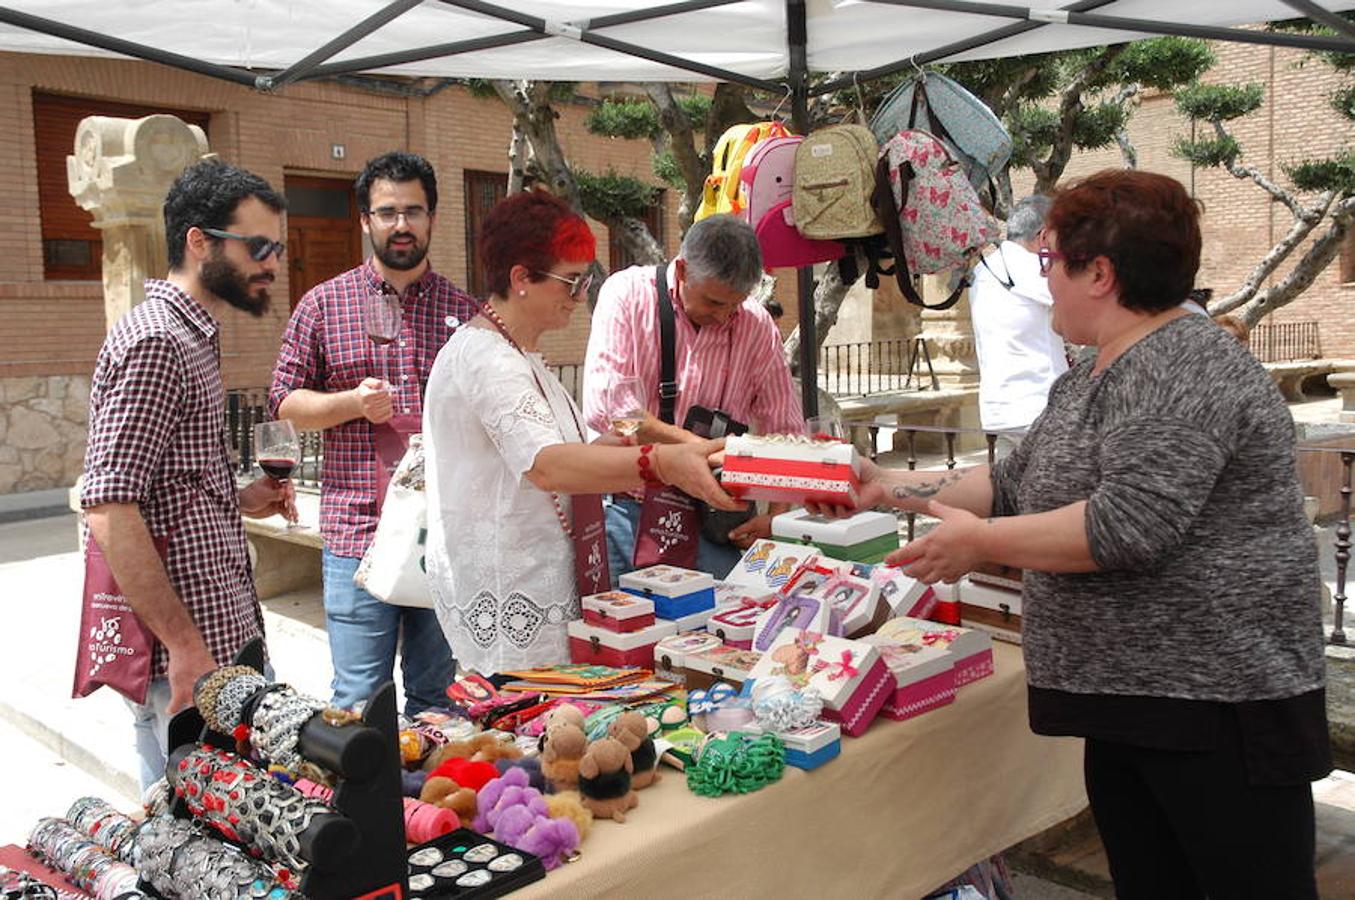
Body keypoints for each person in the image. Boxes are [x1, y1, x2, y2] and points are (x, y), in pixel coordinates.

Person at [827, 170, 1331, 899]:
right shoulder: (1090, 374)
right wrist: (888, 487)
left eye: (1048, 262)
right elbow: (1009, 483)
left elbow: (1126, 525)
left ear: (1099, 273)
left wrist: (980, 545)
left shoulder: (1182, 365)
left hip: (1216, 709)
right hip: (1136, 705)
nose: (1042, 281)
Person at [422, 189, 739, 676]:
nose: (580, 296)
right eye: (570, 282)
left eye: (585, 281)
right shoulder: (487, 359)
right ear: (521, 278)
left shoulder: (520, 356)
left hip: (544, 591)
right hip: (514, 603)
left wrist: (621, 448)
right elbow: (547, 467)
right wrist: (657, 462)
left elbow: (559, 459)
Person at [82, 160, 294, 793]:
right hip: (190, 657)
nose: (272, 264)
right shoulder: (158, 342)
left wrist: (237, 498)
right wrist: (183, 650)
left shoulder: (192, 336)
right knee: (195, 851)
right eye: (258, 247)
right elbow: (110, 507)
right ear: (199, 242)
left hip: (220, 636)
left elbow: (165, 486)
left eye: (276, 248)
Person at [270, 152, 477, 715]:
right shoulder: (322, 305)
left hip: (442, 540)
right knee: (360, 702)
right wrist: (349, 403)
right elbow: (283, 403)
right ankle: (368, 806)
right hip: (357, 533)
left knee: (439, 700)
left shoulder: (467, 313)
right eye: (387, 212)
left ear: (433, 218)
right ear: (365, 220)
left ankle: (424, 807)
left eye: (413, 211)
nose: (401, 224)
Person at [583, 214, 805, 581]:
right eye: (714, 302)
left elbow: (786, 431)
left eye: (735, 305)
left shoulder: (756, 324)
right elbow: (612, 414)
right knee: (622, 635)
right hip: (626, 514)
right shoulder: (627, 295)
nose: (725, 316)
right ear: (683, 270)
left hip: (713, 522)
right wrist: (699, 448)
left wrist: (777, 518)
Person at [969, 195, 1067, 445]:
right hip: (1036, 406)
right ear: (1044, 236)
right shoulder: (1032, 268)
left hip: (998, 410)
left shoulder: (985, 269)